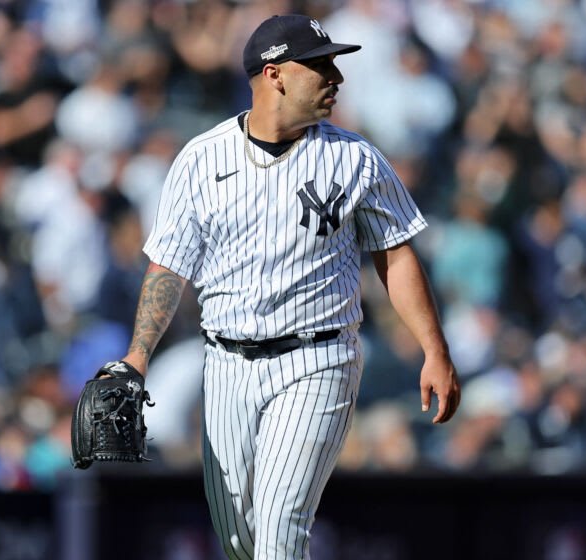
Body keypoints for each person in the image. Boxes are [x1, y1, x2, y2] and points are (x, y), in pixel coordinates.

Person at [115, 14, 461, 559]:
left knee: (280, 527)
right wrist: (137, 357)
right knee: (235, 539)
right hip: (226, 362)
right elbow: (168, 269)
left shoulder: (355, 158)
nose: (336, 77)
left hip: (318, 359)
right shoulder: (201, 160)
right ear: (274, 73)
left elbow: (395, 255)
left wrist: (434, 350)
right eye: (320, 65)